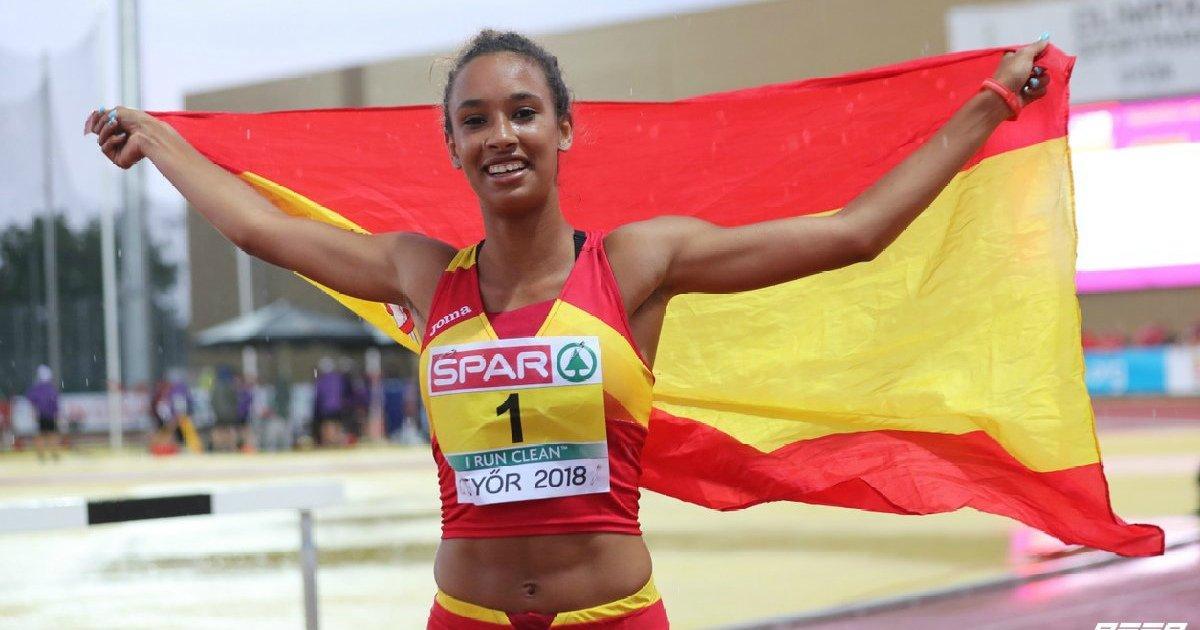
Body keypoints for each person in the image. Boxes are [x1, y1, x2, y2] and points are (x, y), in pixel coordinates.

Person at [86, 29, 1052, 628]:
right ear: (453, 147)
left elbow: (854, 234)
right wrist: (161, 141)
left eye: (522, 112)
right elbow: (261, 227)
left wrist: (992, 102)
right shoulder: (420, 276)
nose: (500, 134)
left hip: (616, 619)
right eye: (475, 120)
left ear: (564, 128)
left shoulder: (637, 266)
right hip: (464, 618)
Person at [26, 365, 61, 462]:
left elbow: (30, 398)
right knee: (52, 434)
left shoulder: (37, 388)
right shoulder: (51, 388)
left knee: (41, 435)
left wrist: (34, 410)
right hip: (50, 415)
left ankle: (41, 455)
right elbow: (55, 402)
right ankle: (54, 454)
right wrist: (57, 413)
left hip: (41, 414)